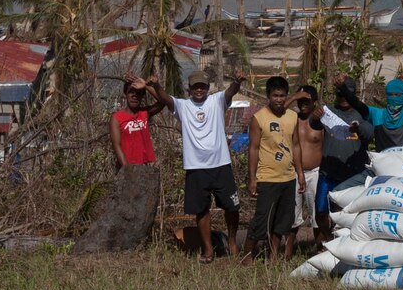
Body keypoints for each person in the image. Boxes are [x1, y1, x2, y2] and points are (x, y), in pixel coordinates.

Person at [147, 69, 244, 264]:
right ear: (189, 89)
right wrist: (156, 86)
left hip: (220, 164)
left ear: (208, 88)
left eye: (203, 86)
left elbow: (230, 92)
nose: (199, 90)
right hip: (196, 167)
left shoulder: (216, 101)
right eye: (195, 87)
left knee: (231, 207)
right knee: (202, 210)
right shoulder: (183, 106)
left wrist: (237, 82)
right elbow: (166, 99)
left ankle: (232, 240)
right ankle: (208, 249)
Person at [244, 76, 305, 261]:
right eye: (275, 95)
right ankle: (246, 256)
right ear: (268, 96)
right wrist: (252, 178)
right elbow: (253, 149)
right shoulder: (259, 118)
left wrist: (300, 173)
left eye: (282, 95)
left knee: (282, 221)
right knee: (262, 219)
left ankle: (273, 257)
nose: (278, 99)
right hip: (267, 177)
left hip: (288, 177)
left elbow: (295, 146)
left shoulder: (292, 117)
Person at [312, 75, 374, 243]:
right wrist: (316, 116)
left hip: (353, 174)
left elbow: (369, 133)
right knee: (321, 211)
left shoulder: (362, 113)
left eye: (348, 95)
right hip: (328, 172)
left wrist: (358, 129)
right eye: (340, 94)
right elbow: (313, 124)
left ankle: (346, 243)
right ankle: (329, 238)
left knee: (347, 213)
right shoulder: (329, 111)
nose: (344, 99)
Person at [333, 68, 403, 150]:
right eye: (390, 95)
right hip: (384, 170)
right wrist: (343, 88)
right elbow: (357, 104)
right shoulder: (377, 115)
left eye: (397, 95)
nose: (394, 98)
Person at [289, 85, 324, 253]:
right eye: (300, 100)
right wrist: (295, 96)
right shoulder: (290, 118)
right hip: (293, 173)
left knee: (317, 215)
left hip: (315, 173)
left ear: (314, 103)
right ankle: (287, 252)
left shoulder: (321, 121)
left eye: (307, 100)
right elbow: (274, 110)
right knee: (292, 216)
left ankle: (319, 249)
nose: (303, 104)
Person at [109, 76, 164, 169]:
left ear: (142, 96)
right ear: (126, 94)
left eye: (138, 93)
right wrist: (127, 170)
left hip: (144, 167)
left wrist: (146, 86)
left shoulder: (145, 113)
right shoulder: (116, 118)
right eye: (131, 92)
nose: (134, 96)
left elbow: (163, 101)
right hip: (125, 168)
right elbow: (116, 145)